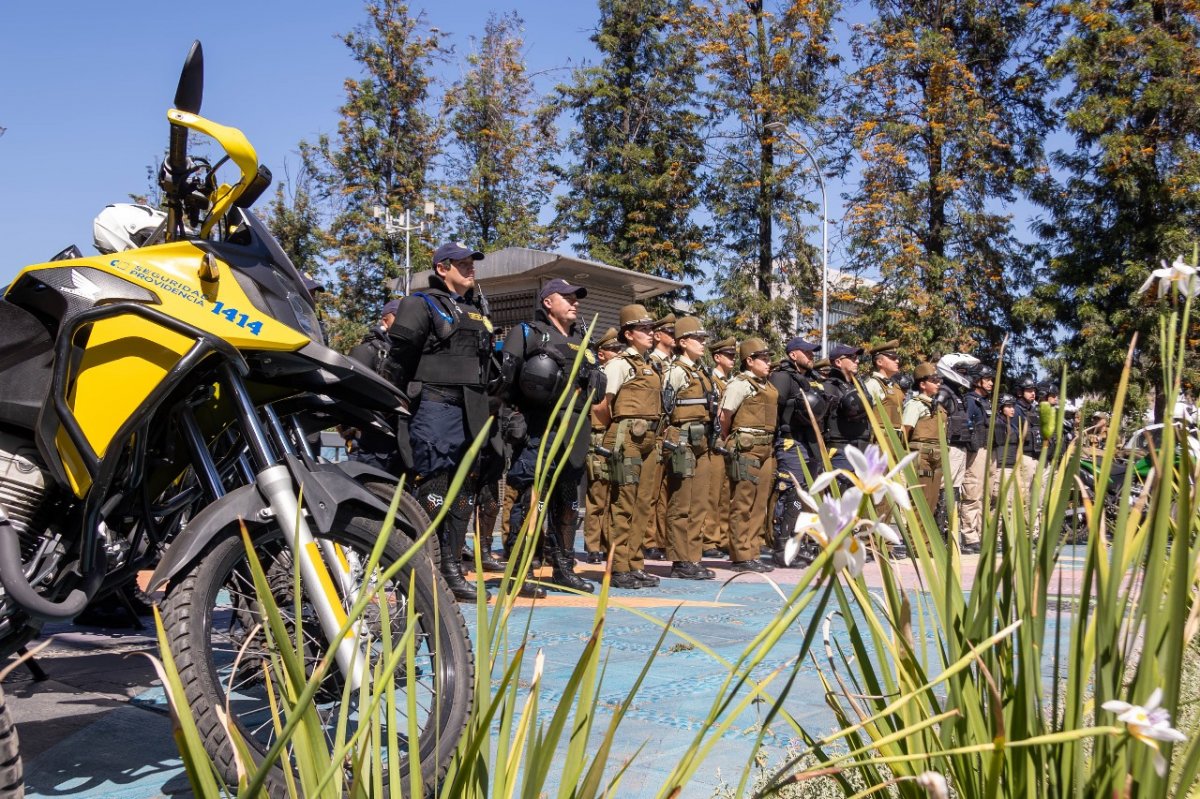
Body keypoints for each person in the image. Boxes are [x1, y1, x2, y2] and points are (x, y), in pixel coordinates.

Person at [383, 241, 499, 602]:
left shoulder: (477, 310)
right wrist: (389, 403)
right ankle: (421, 571)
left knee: (464, 493)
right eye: (461, 263)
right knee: (432, 488)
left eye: (472, 262)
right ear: (441, 268)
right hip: (435, 406)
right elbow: (398, 360)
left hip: (471, 410)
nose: (470, 267)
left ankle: (451, 570)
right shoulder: (421, 303)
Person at [501, 278, 603, 593]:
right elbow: (505, 382)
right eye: (567, 298)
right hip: (540, 429)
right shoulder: (528, 333)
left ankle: (563, 568)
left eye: (576, 298)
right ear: (548, 302)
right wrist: (510, 418)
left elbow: (596, 389)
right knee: (531, 501)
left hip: (575, 430)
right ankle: (519, 573)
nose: (575, 303)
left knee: (568, 503)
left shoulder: (584, 341)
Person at [593, 304, 663, 589]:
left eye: (651, 328)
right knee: (623, 502)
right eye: (644, 329)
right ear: (629, 334)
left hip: (649, 439)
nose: (650, 333)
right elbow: (601, 405)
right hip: (627, 439)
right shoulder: (619, 364)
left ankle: (635, 563)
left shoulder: (650, 365)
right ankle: (619, 565)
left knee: (644, 503)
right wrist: (615, 432)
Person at [662, 317, 719, 579]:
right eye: (698, 338)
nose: (703, 343)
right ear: (683, 342)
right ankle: (679, 559)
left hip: (703, 441)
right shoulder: (675, 371)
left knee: (699, 503)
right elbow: (664, 408)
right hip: (683, 440)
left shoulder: (701, 371)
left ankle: (693, 557)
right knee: (681, 503)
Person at [718, 338, 779, 573]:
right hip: (746, 448)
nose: (768, 362)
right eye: (763, 358)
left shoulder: (768, 385)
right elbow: (724, 416)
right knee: (742, 501)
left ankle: (753, 551)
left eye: (768, 358)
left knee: (759, 503)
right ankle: (740, 554)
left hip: (766, 448)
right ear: (749, 361)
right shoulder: (739, 384)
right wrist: (730, 439)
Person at [768, 336, 825, 567]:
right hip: (790, 442)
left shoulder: (810, 378)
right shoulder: (782, 377)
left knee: (804, 496)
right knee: (791, 492)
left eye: (812, 352)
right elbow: (773, 409)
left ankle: (797, 544)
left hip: (809, 442)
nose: (812, 356)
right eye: (807, 352)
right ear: (793, 355)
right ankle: (782, 548)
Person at [346, 299, 401, 471]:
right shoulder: (366, 351)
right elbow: (348, 394)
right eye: (399, 317)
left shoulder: (406, 353)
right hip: (370, 444)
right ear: (385, 320)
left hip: (399, 441)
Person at [584, 328, 624, 564]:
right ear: (601, 354)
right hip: (598, 436)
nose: (618, 353)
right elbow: (599, 408)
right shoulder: (598, 376)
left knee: (613, 495)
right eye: (613, 349)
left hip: (613, 437)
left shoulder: (617, 371)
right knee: (597, 494)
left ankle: (607, 542)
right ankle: (593, 545)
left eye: (620, 349)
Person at [645, 313, 676, 561]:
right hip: (655, 432)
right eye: (671, 333)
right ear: (657, 335)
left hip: (671, 432)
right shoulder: (651, 362)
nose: (675, 337)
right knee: (651, 491)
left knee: (666, 491)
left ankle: (661, 538)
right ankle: (648, 540)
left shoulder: (673, 364)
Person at [703, 337, 737, 559]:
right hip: (715, 440)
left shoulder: (731, 381)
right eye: (729, 355)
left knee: (726, 492)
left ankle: (723, 537)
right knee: (712, 493)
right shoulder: (711, 380)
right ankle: (708, 540)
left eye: (734, 355)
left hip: (727, 441)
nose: (733, 359)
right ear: (717, 357)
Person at [959, 364, 995, 553]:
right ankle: (970, 536)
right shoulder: (970, 400)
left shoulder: (986, 402)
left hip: (989, 450)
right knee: (972, 493)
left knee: (986, 495)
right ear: (976, 380)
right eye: (987, 379)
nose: (991, 383)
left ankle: (982, 534)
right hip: (977, 451)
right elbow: (967, 425)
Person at [902, 363, 946, 514]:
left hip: (937, 455)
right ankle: (916, 530)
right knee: (920, 498)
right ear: (922, 384)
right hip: (922, 456)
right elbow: (906, 430)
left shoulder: (937, 406)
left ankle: (927, 529)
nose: (938, 384)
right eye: (933, 381)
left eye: (938, 380)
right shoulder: (915, 405)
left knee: (933, 499)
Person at [822, 344, 871, 471]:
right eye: (852, 357)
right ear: (838, 362)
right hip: (841, 452)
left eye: (857, 357)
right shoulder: (828, 387)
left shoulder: (857, 386)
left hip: (862, 449)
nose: (857, 361)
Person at [862, 340, 905, 442]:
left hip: (895, 442)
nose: (897, 361)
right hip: (879, 443)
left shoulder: (894, 386)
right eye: (892, 358)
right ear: (879, 362)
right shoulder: (872, 384)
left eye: (897, 358)